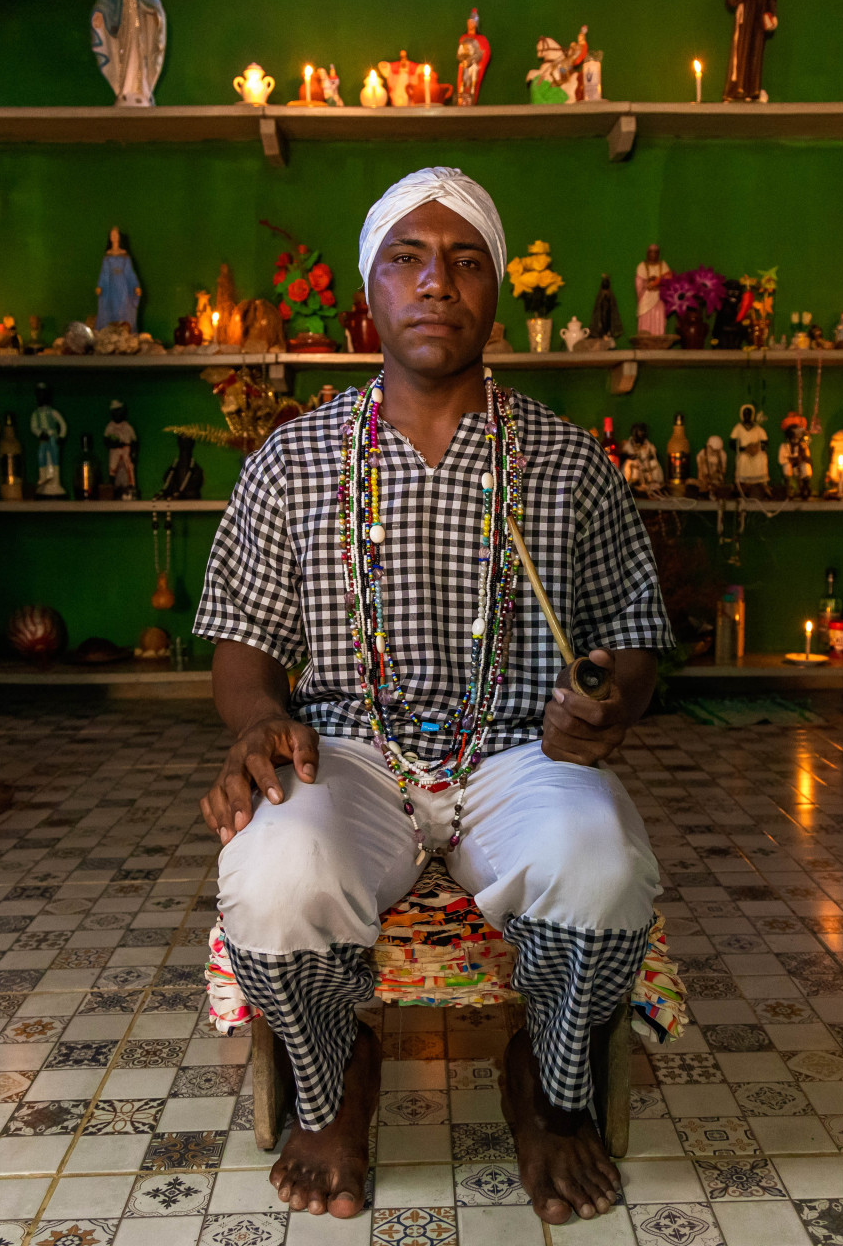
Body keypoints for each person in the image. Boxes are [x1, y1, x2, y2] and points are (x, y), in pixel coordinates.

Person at [194, 168, 672, 1225]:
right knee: (271, 869)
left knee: (602, 864)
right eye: (407, 258)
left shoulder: (562, 460)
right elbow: (243, 652)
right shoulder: (292, 459)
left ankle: (549, 1091)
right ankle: (333, 1085)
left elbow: (633, 639)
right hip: (347, 751)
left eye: (463, 261)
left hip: (518, 751)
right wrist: (259, 723)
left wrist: (606, 700)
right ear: (371, 289)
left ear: (497, 289)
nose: (434, 283)